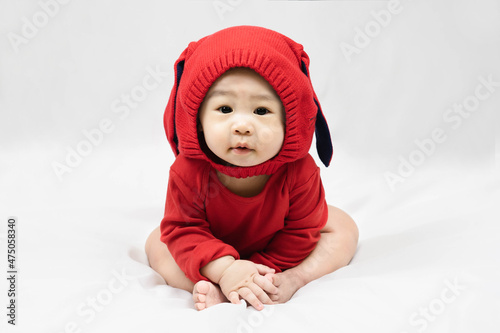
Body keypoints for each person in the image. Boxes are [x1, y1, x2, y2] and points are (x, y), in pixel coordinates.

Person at [145, 25, 359, 311]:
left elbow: (301, 232)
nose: (242, 126)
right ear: (197, 119)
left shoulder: (300, 171)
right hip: (209, 249)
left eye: (261, 111)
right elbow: (185, 229)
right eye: (224, 109)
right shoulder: (188, 171)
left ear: (290, 121)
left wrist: (258, 271)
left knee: (343, 226)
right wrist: (225, 270)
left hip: (275, 251)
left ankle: (290, 281)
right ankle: (217, 287)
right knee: (158, 242)